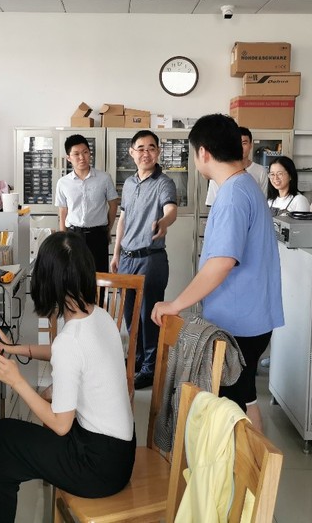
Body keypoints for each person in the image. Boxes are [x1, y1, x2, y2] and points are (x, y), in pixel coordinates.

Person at [0, 232, 135, 523]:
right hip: (121, 455)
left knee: (1, 437)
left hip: (97, 468)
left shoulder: (70, 341)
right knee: (35, 416)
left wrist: (17, 381)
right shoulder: (99, 316)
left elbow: (61, 425)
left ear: (48, 282)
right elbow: (70, 355)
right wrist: (16, 348)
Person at [151, 113, 284, 433]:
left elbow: (221, 262)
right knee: (246, 398)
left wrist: (175, 304)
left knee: (234, 408)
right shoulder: (244, 185)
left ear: (203, 152)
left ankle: (247, 463)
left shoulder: (233, 194)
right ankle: (254, 463)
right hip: (251, 317)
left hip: (240, 322)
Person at [110, 130, 177, 390]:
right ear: (131, 152)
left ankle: (150, 368)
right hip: (127, 259)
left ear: (158, 152)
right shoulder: (128, 183)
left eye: (151, 148)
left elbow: (171, 211)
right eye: (141, 148)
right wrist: (116, 253)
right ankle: (136, 359)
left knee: (149, 317)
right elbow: (123, 219)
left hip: (151, 259)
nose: (146, 153)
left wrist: (164, 222)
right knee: (130, 315)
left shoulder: (164, 183)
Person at [55, 134, 118, 273]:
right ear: (68, 158)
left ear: (90, 153)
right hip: (73, 235)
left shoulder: (104, 178)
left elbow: (113, 204)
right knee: (73, 275)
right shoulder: (63, 183)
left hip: (98, 235)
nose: (82, 157)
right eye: (76, 154)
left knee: (99, 276)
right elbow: (63, 211)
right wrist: (63, 238)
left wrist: (108, 229)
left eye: (85, 152)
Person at [205, 126, 268, 205]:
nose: (240, 147)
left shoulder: (260, 171)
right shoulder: (218, 172)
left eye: (244, 143)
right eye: (236, 143)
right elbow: (213, 204)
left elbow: (262, 202)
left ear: (250, 145)